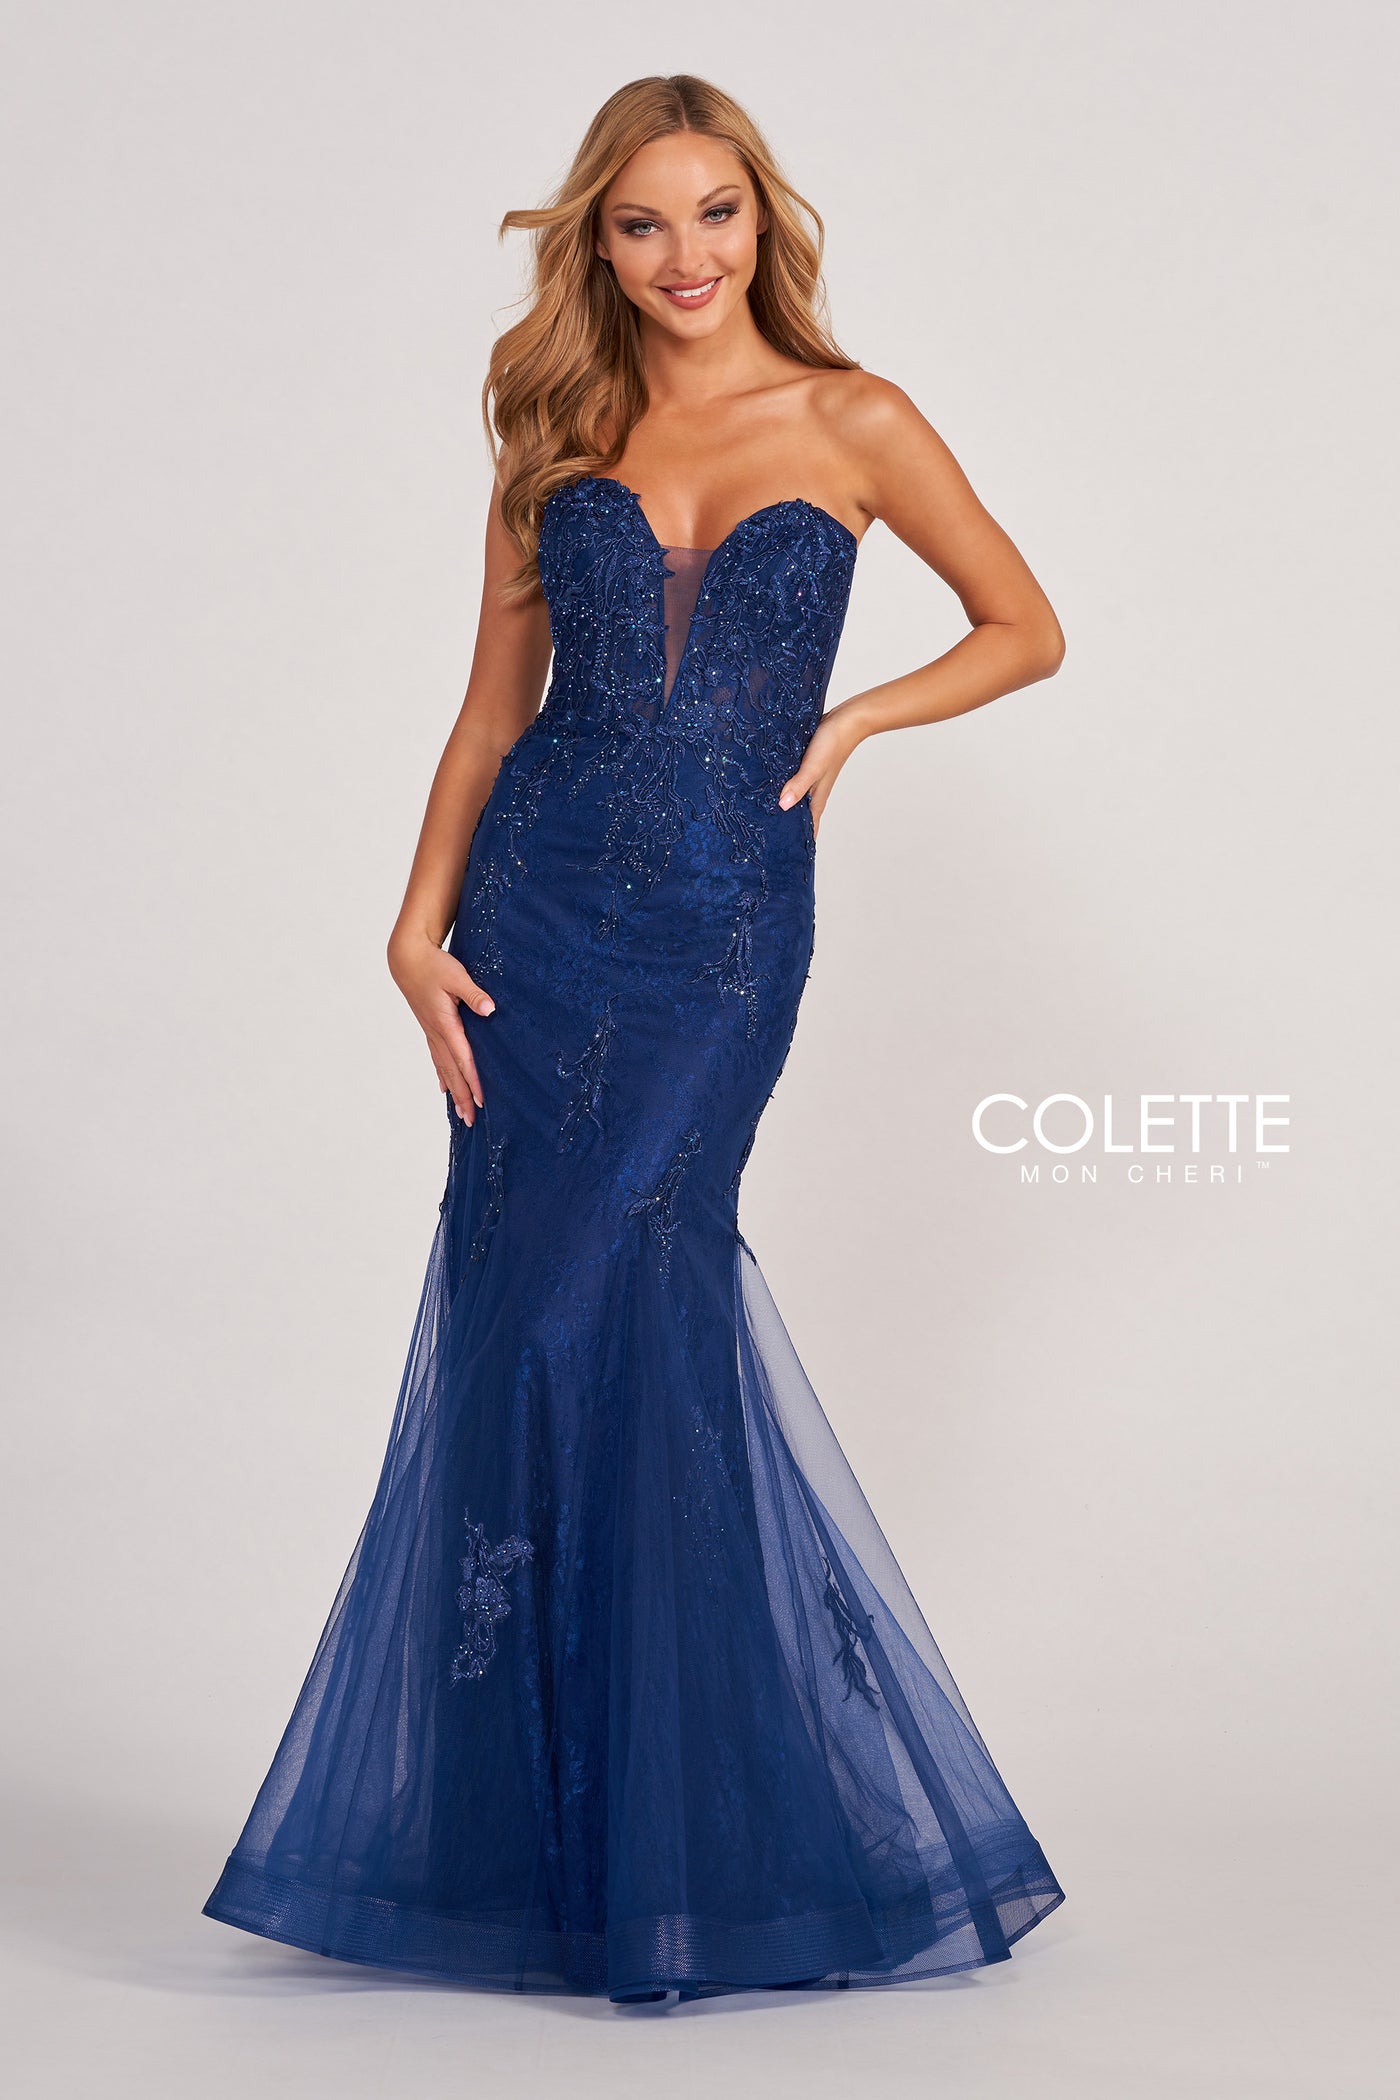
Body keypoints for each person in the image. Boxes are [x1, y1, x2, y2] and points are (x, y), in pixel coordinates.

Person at [202, 72, 1067, 2006]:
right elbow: (489, 709)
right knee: (523, 1325)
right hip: (538, 914)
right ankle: (542, 1846)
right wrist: (412, 925)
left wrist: (854, 723)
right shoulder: (557, 436)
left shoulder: (854, 420)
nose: (688, 256)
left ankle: (702, 1844)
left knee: (642, 1280)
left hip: (721, 930)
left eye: (718, 213)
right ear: (597, 241)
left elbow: (1025, 625)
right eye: (645, 222)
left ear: (767, 222)